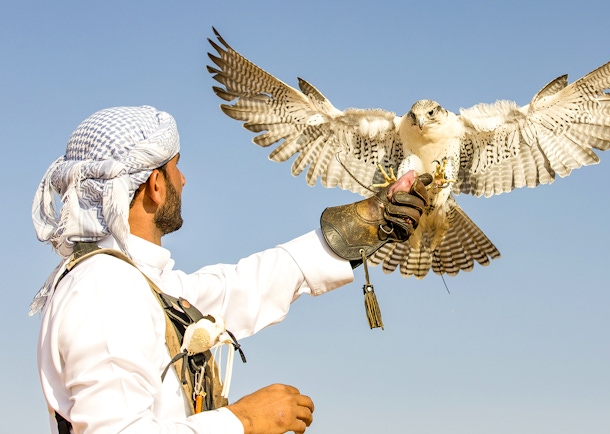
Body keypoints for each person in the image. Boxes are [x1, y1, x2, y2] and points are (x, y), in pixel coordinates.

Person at [31, 106, 429, 433]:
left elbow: (240, 288)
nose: (183, 180)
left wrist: (368, 222)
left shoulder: (137, 283)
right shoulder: (104, 289)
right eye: (176, 168)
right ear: (155, 184)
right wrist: (244, 419)